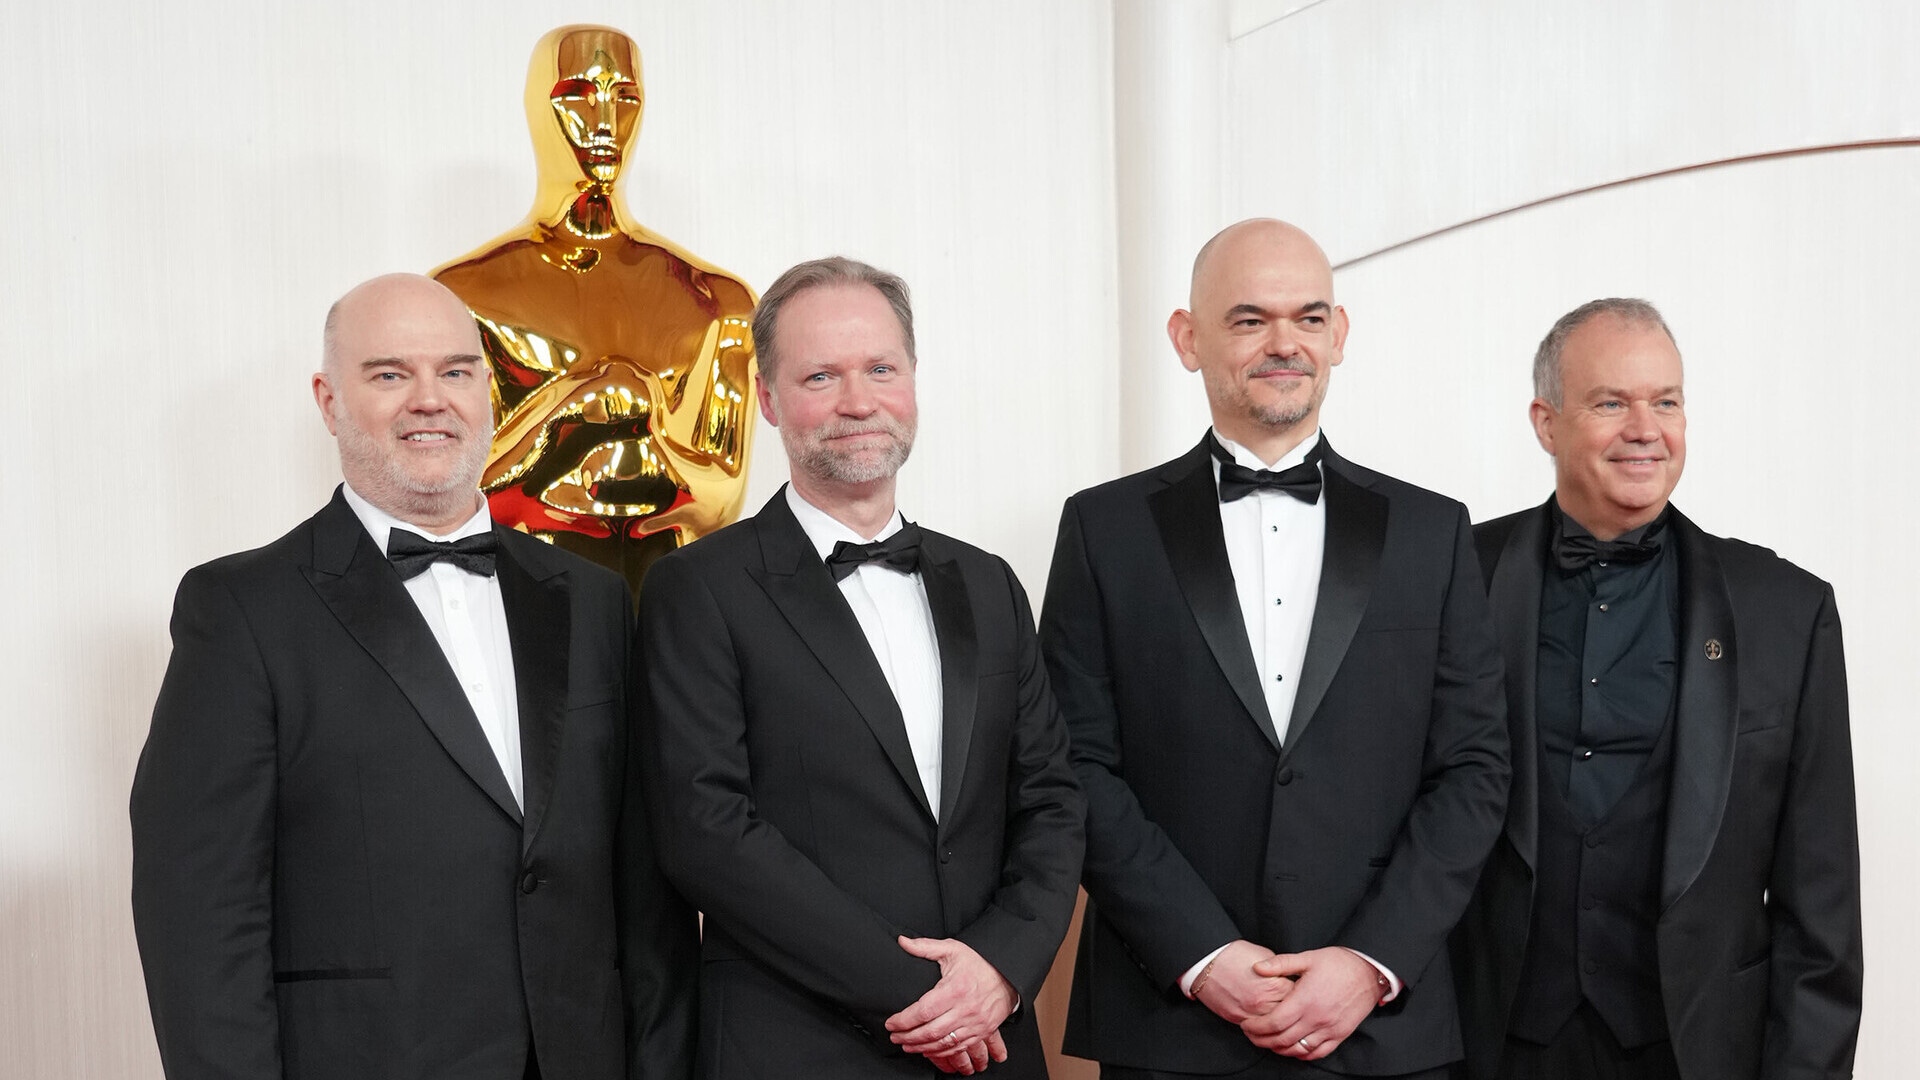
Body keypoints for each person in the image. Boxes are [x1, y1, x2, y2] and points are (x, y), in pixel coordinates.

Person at [130, 273, 697, 1080]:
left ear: (487, 392)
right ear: (329, 401)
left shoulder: (594, 599)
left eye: (455, 371)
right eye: (390, 373)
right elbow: (197, 908)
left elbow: (645, 892)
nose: (429, 399)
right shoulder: (242, 609)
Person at [1041, 218, 1509, 1079]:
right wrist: (1202, 956)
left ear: (1339, 334)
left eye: (1308, 317)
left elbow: (1474, 769)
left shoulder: (1434, 533)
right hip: (1170, 1024)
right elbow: (1074, 766)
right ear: (1188, 339)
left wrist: (1370, 962)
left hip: (1381, 1032)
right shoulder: (1102, 530)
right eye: (1250, 319)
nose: (1285, 343)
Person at [636, 256, 1085, 1078]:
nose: (858, 401)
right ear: (768, 399)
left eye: (881, 368)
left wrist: (1000, 970)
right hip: (799, 1045)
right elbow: (707, 831)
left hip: (993, 1038)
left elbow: (1051, 800)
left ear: (912, 380)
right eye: (821, 376)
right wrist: (924, 997)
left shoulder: (988, 583)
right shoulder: (696, 589)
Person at [1451, 298, 1862, 1080]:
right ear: (1546, 423)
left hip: (1699, 1052)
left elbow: (1823, 912)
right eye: (1611, 403)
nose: (1646, 429)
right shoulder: (1452, 579)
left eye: (1665, 402)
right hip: (1493, 1046)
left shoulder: (1787, 610)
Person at [433, 24, 759, 594]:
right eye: (577, 95)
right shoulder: (459, 296)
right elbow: (444, 493)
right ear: (538, 109)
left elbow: (721, 503)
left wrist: (627, 435)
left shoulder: (718, 302)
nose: (605, 120)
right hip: (517, 605)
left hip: (675, 609)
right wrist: (572, 414)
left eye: (625, 97)